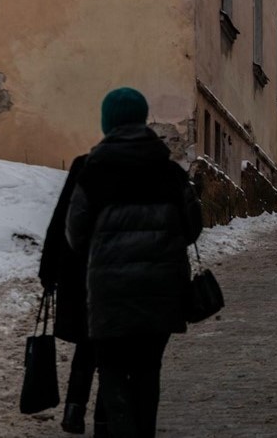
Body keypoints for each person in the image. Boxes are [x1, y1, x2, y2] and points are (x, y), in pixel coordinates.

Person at [66, 87, 203, 438]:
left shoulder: (93, 171)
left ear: (107, 122)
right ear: (143, 120)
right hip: (161, 292)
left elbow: (75, 233)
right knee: (147, 372)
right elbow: (192, 229)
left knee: (111, 372)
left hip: (109, 293)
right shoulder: (168, 172)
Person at [38, 154, 107, 436]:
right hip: (117, 275)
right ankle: (103, 420)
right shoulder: (148, 168)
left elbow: (62, 218)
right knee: (113, 350)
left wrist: (49, 269)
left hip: (84, 271)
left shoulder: (86, 165)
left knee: (87, 345)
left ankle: (74, 411)